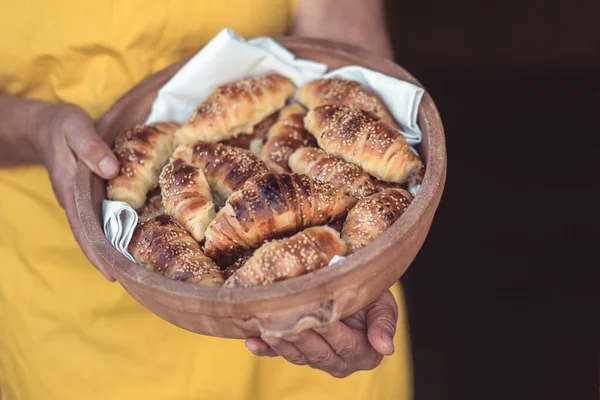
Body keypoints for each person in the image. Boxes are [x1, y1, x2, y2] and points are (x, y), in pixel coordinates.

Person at [0, 1, 412, 399]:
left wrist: (357, 276)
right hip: (70, 301)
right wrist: (34, 127)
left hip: (313, 296)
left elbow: (338, 27)